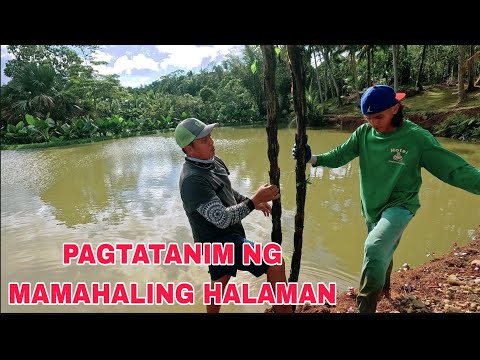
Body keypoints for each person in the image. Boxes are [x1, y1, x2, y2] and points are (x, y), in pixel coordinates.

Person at [293, 85, 480, 313]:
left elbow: (453, 169)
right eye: (368, 118)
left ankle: (366, 306)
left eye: (378, 117)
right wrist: (312, 158)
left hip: (401, 205)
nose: (373, 123)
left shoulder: (416, 138)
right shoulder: (363, 134)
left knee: (374, 246)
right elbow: (340, 155)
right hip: (371, 206)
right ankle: (384, 288)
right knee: (383, 247)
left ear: (395, 108)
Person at [175, 117, 293, 313]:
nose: (211, 142)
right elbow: (221, 219)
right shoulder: (192, 180)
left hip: (225, 237)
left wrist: (251, 201)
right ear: (189, 149)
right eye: (204, 140)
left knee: (220, 281)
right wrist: (253, 201)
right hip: (217, 243)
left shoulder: (213, 161)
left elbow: (226, 191)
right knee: (274, 262)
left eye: (210, 137)